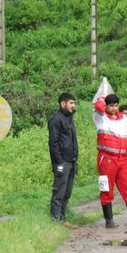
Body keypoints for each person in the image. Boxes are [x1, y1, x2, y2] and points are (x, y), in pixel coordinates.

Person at [93, 94, 127, 228]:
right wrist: (102, 99)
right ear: (107, 105)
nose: (114, 108)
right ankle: (109, 220)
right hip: (107, 159)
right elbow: (97, 106)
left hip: (123, 160)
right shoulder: (100, 117)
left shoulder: (124, 119)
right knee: (106, 189)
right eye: (111, 105)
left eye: (116, 105)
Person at [49, 92, 78, 226]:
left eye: (74, 103)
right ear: (63, 104)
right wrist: (59, 162)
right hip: (62, 162)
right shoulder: (56, 119)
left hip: (71, 161)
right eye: (71, 103)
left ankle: (62, 219)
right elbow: (53, 143)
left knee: (67, 192)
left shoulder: (69, 118)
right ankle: (55, 221)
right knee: (59, 193)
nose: (73, 105)